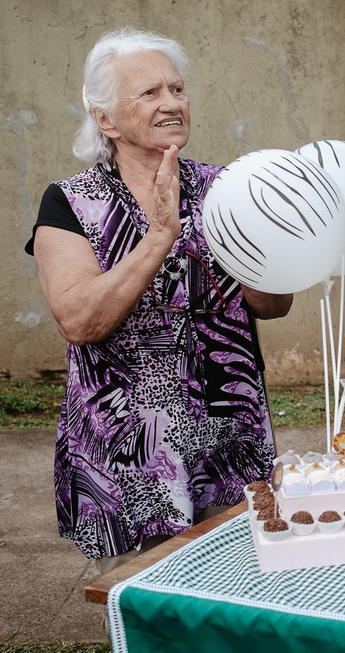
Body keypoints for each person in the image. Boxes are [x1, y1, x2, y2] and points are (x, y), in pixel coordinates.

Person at [27, 28, 293, 572]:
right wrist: (160, 236)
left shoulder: (228, 189)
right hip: (128, 453)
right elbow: (79, 320)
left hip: (230, 438)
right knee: (145, 600)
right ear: (105, 119)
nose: (172, 103)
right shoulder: (70, 202)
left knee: (237, 596)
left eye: (177, 89)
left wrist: (261, 244)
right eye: (150, 93)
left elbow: (274, 304)